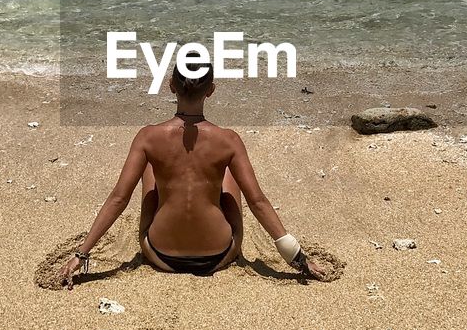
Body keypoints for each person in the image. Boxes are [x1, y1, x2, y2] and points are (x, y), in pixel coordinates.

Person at [59, 61, 330, 287]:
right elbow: (257, 201)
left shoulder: (148, 137)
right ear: (211, 90)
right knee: (228, 172)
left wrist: (81, 254)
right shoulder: (228, 140)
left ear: (171, 85)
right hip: (219, 254)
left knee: (151, 167)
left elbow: (119, 198)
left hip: (160, 254)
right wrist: (297, 257)